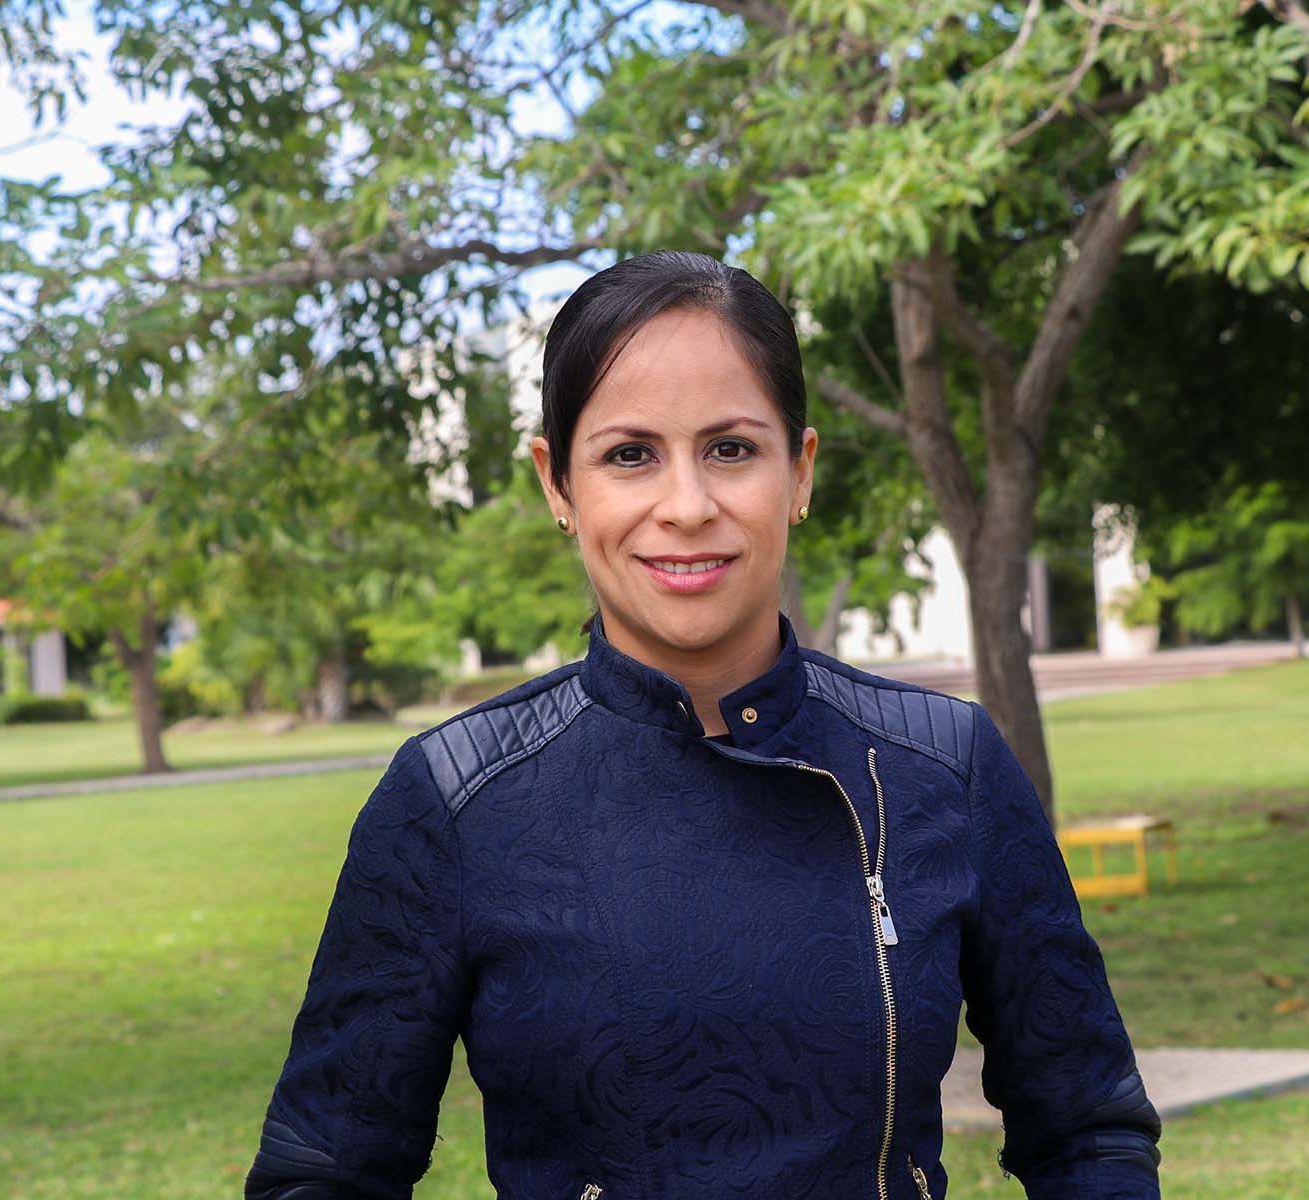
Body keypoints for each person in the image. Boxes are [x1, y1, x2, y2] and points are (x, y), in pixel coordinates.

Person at [243, 250, 1161, 1200]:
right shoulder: (454, 799)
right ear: (558, 485)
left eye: (731, 448)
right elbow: (324, 1169)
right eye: (629, 455)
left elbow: (1088, 1128)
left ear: (798, 471)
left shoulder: (942, 767)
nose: (687, 507)